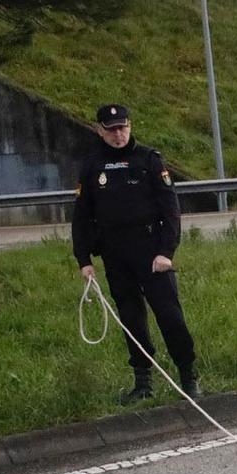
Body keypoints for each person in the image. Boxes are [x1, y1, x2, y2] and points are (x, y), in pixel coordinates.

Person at [72, 103, 198, 403]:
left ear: (130, 126)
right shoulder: (92, 166)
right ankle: (143, 383)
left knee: (170, 317)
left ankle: (188, 377)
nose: (119, 134)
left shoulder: (149, 160)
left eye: (123, 127)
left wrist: (166, 251)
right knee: (131, 320)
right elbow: (82, 215)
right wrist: (84, 259)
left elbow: (171, 209)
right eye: (112, 129)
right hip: (116, 255)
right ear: (100, 131)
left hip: (152, 251)